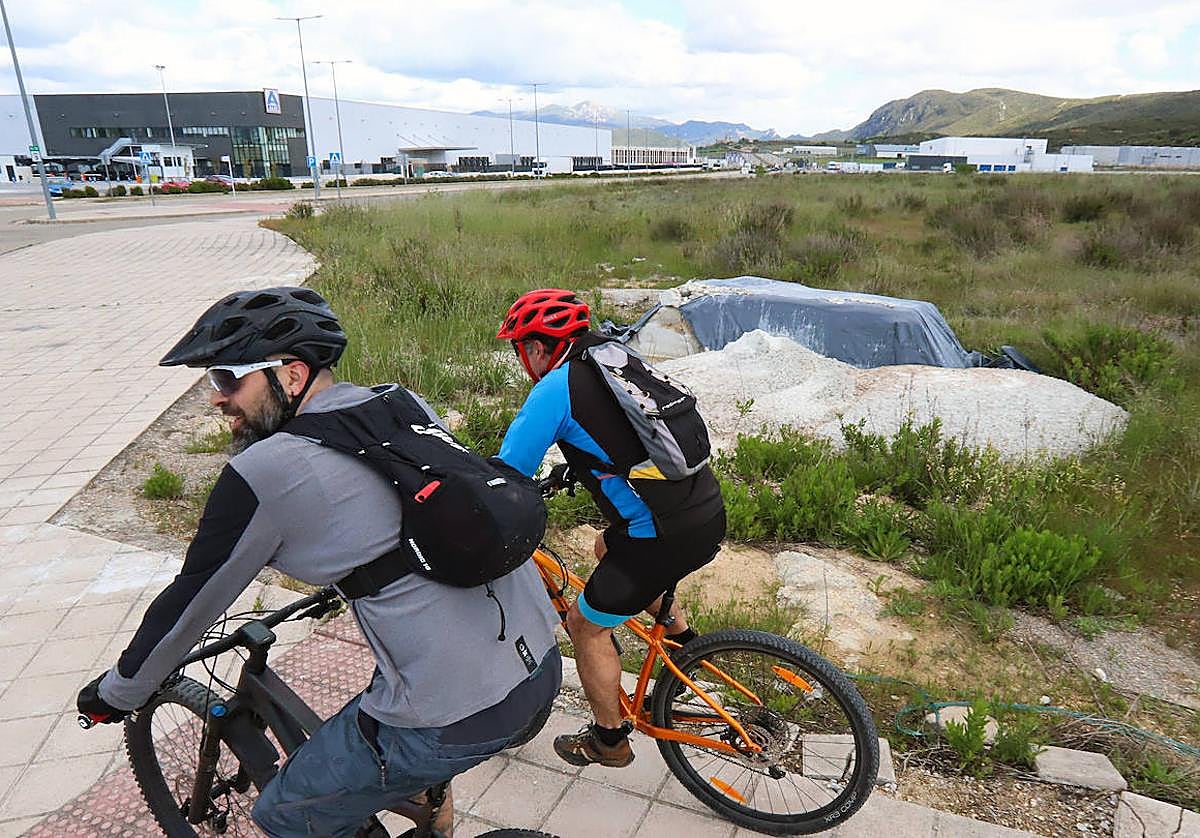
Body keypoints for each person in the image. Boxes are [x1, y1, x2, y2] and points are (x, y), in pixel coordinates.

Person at [76, 286, 561, 837]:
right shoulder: (399, 402)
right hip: (539, 664)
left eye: (228, 379)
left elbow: (190, 603)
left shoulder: (265, 471)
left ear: (291, 375)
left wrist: (117, 693)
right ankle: (432, 816)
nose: (216, 398)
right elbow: (405, 515)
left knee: (281, 814)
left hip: (454, 718)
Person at [496, 288, 725, 768]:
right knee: (606, 547)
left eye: (520, 350)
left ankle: (609, 740)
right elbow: (623, 432)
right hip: (705, 510)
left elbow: (507, 473)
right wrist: (574, 467)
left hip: (660, 535)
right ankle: (686, 649)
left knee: (584, 626)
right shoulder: (613, 356)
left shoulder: (553, 389)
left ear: (535, 347)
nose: (522, 360)